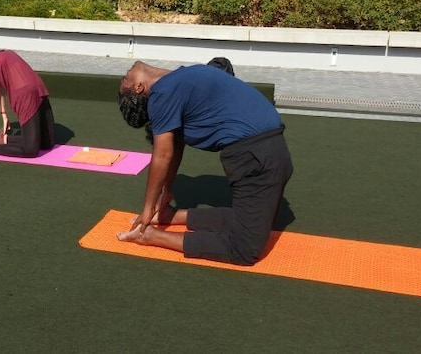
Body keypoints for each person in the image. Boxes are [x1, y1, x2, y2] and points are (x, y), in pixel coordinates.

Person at [116, 61, 293, 266]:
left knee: (245, 244)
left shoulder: (175, 82)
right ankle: (158, 229)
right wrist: (161, 198)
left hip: (263, 155)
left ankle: (157, 228)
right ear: (138, 88)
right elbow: (169, 152)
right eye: (124, 80)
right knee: (245, 239)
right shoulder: (166, 91)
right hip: (261, 154)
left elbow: (165, 154)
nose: (125, 74)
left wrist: (151, 207)